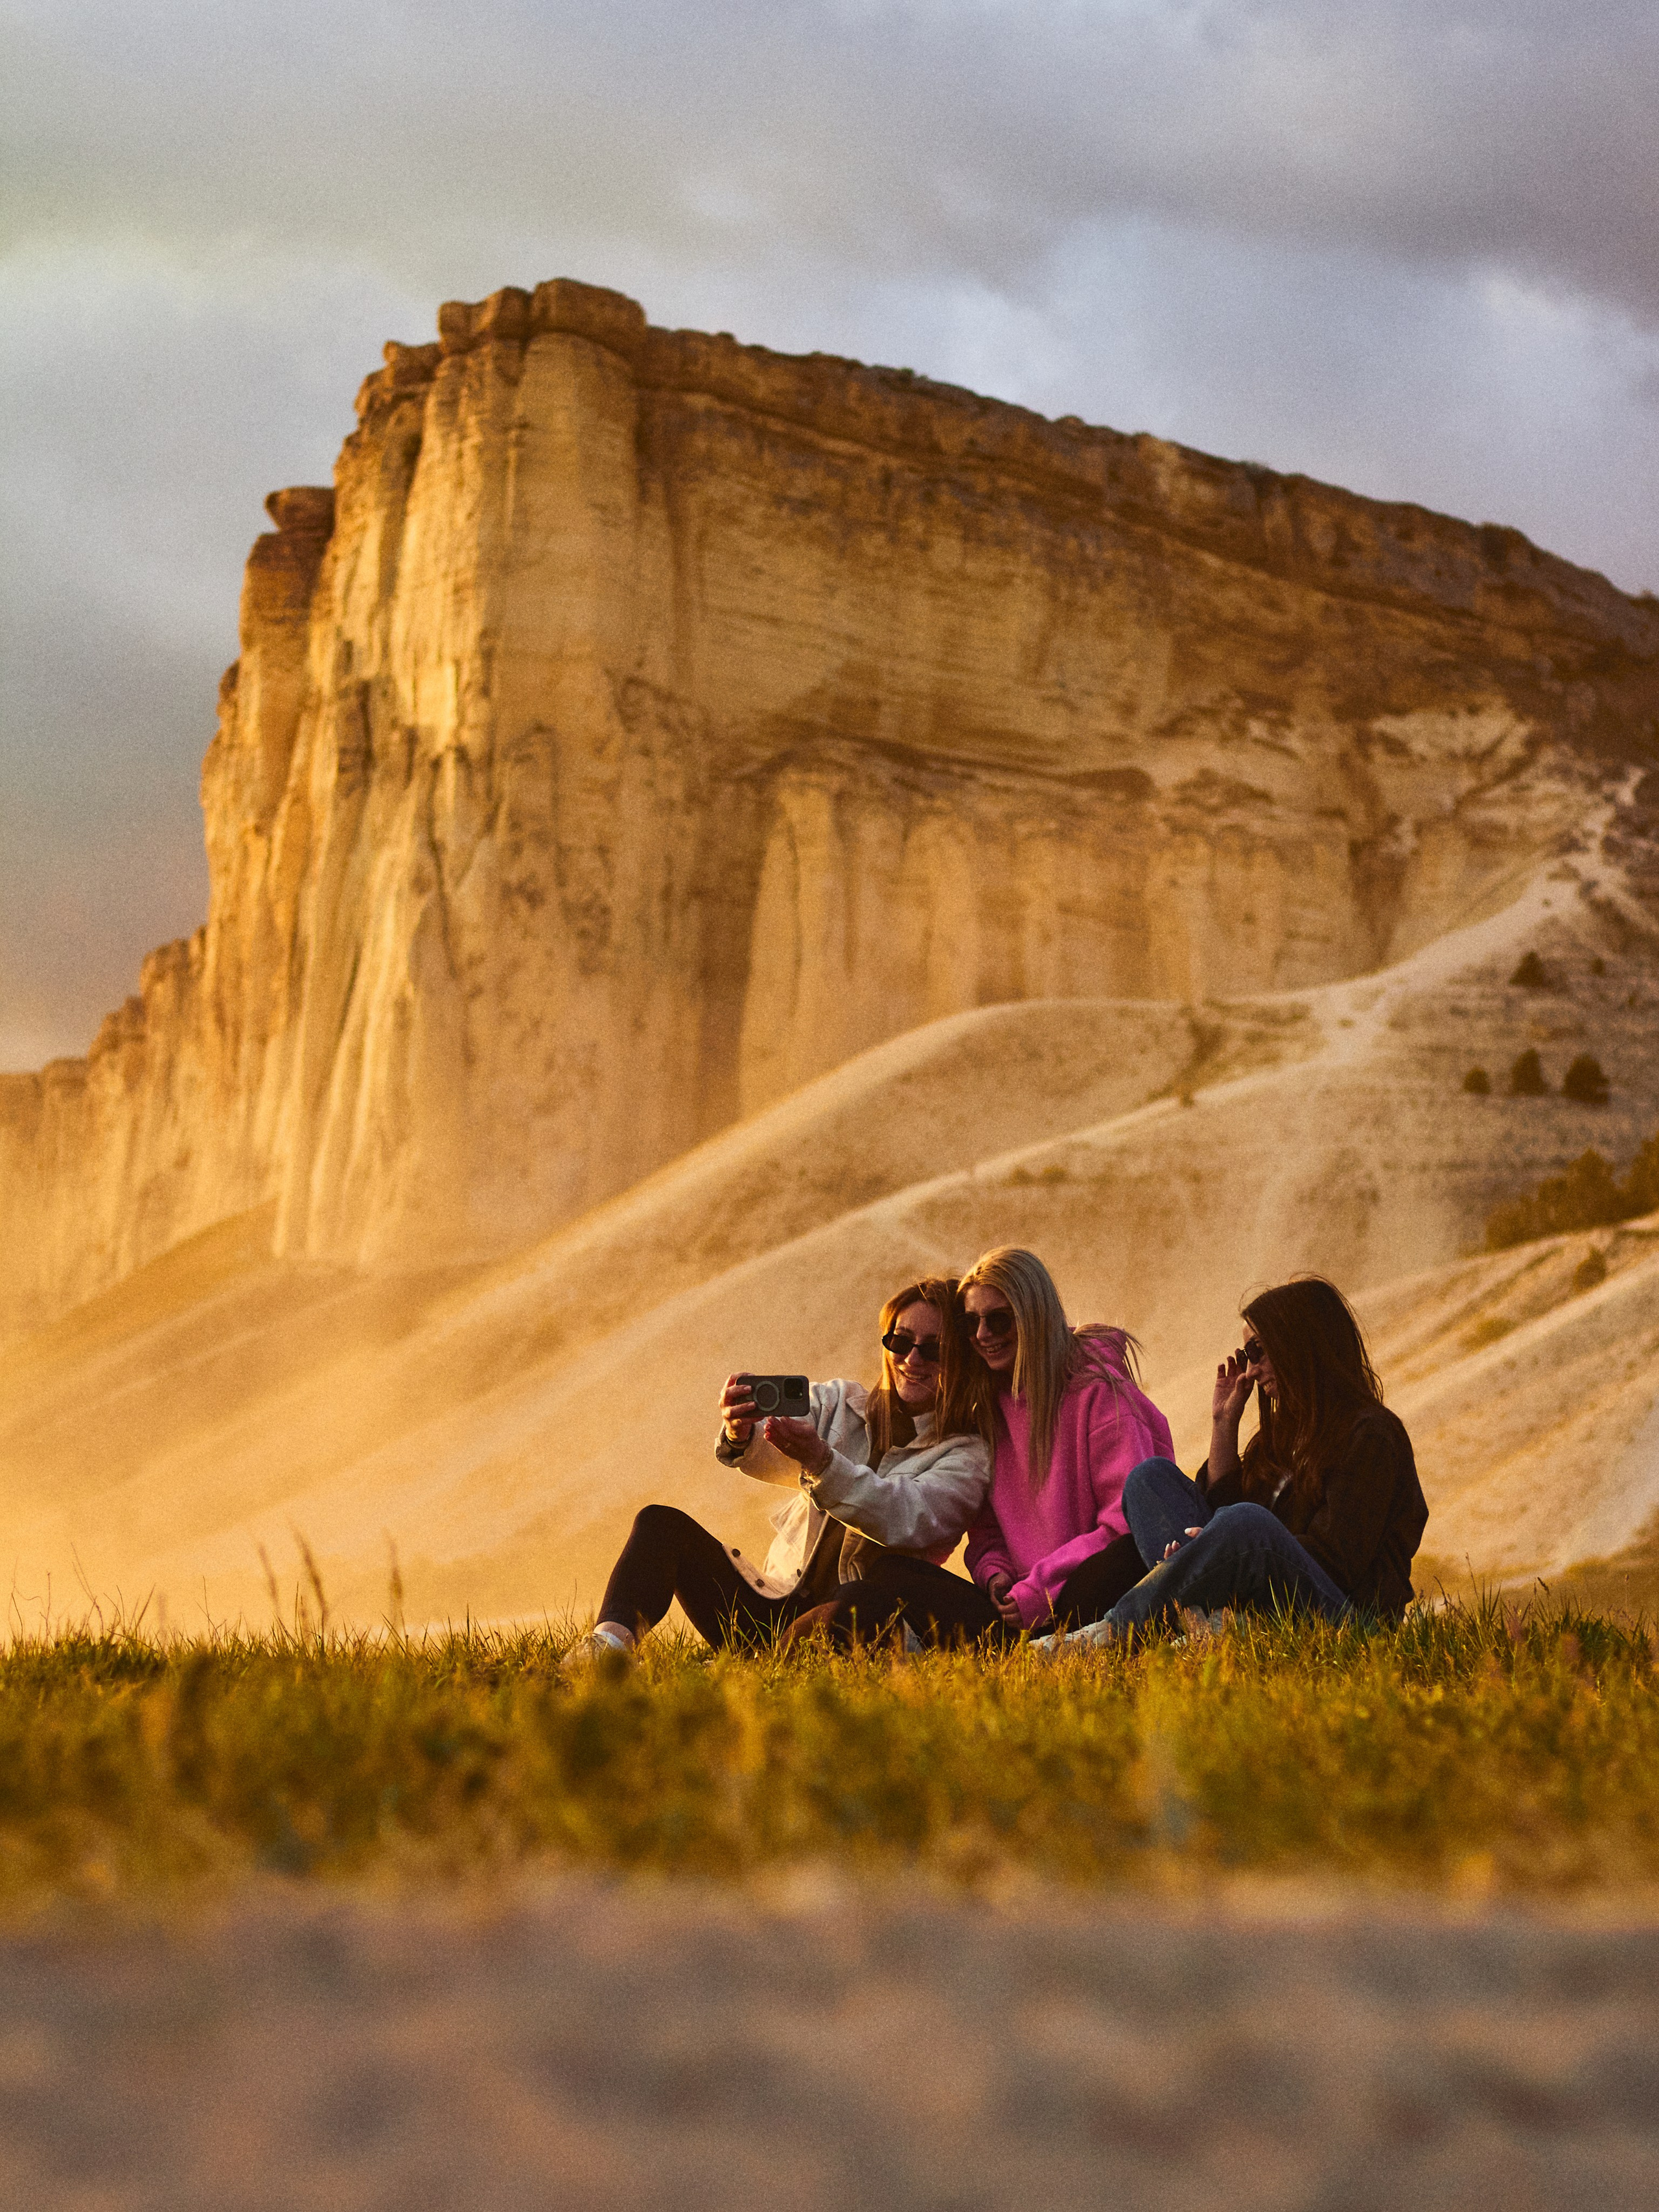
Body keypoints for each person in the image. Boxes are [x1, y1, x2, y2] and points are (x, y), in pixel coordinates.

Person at [568, 1277, 990, 1658]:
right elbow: (778, 1448)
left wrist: (822, 1460)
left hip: (850, 1618)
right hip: (771, 1602)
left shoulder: (965, 1456)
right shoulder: (840, 1402)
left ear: (961, 1358)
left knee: (867, 1599)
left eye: (933, 1348)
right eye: (900, 1340)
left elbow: (905, 1516)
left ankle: (775, 1663)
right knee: (660, 1524)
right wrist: (741, 1432)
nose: (912, 1359)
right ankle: (604, 1650)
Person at [806, 1246, 1173, 1647]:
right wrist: (995, 1573)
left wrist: (1040, 1590)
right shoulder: (990, 1409)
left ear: (1035, 1318)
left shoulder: (1100, 1396)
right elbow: (988, 1531)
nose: (983, 1335)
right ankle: (1024, 1653)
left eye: (999, 1320)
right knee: (891, 1572)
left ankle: (1070, 1646)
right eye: (970, 1323)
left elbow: (1126, 1526)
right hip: (1019, 1607)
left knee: (1124, 1557)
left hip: (1091, 1590)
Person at [1041, 1275, 1428, 1649]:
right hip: (1259, 1606)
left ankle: (1111, 1632)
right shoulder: (1283, 1438)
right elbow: (1222, 1508)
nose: (1251, 1369)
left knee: (1246, 1524)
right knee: (1150, 1479)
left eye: (1258, 1351)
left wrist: (1220, 1548)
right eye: (1247, 1356)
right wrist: (1224, 1424)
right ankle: (1206, 1625)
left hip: (1347, 1622)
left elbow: (1340, 1562)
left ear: (1301, 1344)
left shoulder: (1371, 1435)